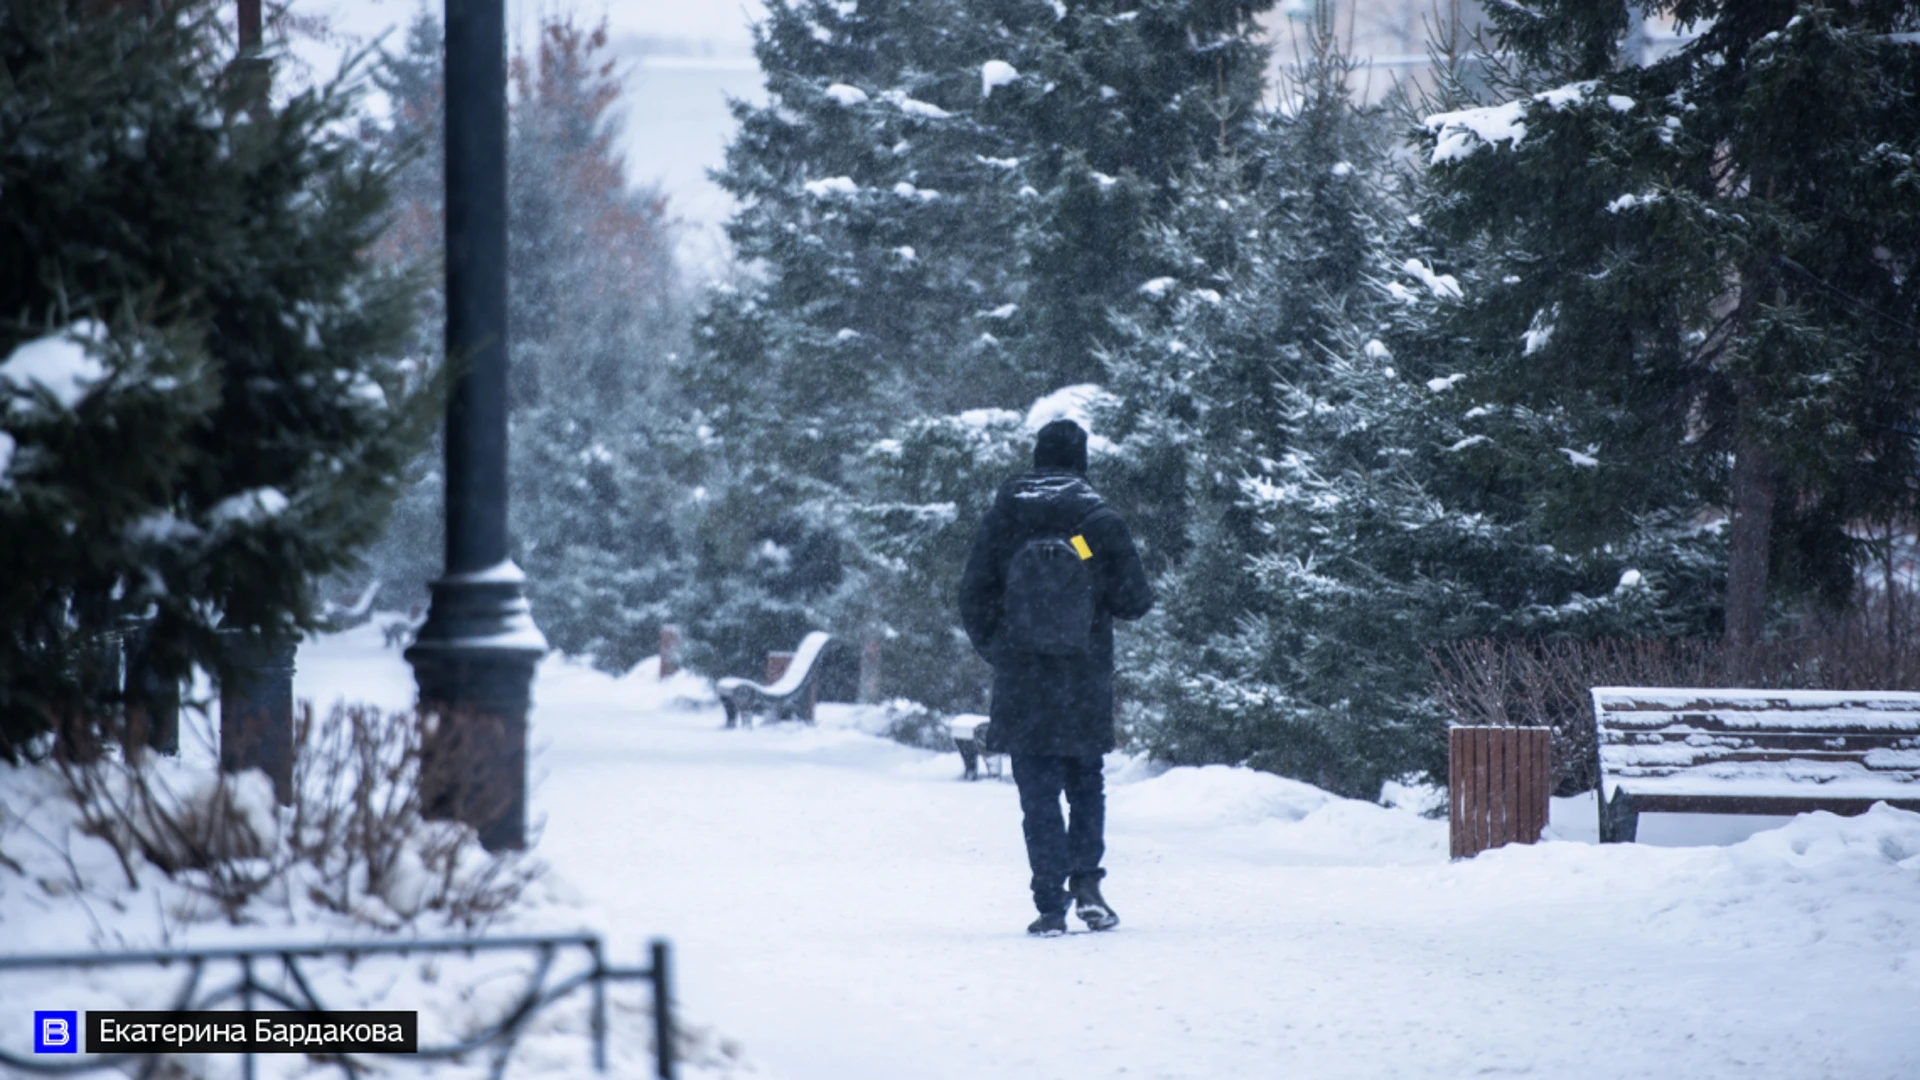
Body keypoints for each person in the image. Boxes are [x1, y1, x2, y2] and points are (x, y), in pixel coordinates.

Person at [958, 418, 1154, 936]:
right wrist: (1089, 565)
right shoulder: (1094, 521)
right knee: (1085, 782)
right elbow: (1134, 600)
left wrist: (999, 649)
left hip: (1021, 679)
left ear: (1037, 457)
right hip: (1082, 676)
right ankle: (1087, 883)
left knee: (1037, 790)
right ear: (1080, 461)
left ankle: (1049, 902)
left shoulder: (1004, 517)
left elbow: (973, 594)